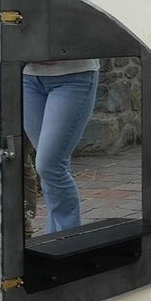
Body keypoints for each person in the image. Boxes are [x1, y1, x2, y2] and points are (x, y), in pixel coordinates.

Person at [22, 59, 99, 233]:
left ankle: (68, 241)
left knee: (50, 165)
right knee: (51, 169)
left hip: (74, 76)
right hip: (27, 76)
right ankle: (54, 239)